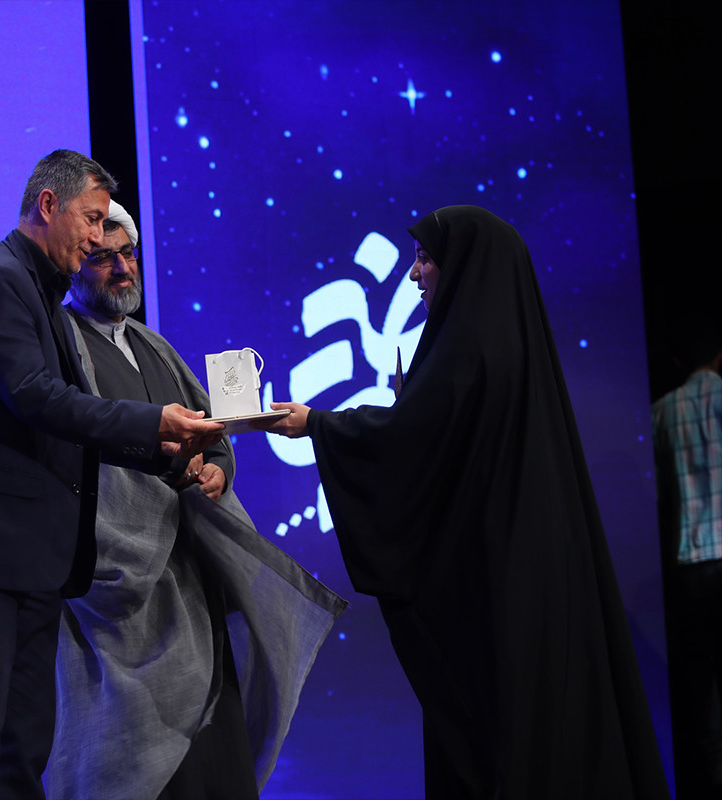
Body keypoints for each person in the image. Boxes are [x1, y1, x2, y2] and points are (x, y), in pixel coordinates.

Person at [265, 205, 669, 798]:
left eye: (425, 258)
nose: (414, 274)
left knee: (504, 737)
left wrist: (318, 425)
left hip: (498, 582)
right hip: (529, 569)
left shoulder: (469, 345)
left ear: (464, 265)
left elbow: (412, 441)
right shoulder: (506, 341)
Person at [0, 150, 222, 799]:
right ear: (48, 205)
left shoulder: (39, 293)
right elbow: (37, 398)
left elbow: (65, 420)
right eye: (90, 219)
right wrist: (153, 424)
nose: (95, 236)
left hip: (29, 556)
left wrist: (169, 456)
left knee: (25, 743)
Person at [44, 201, 347, 800]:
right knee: (126, 756)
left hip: (188, 582)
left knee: (212, 754)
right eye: (102, 258)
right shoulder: (58, 345)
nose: (121, 269)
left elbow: (214, 434)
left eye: (128, 254)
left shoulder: (154, 346)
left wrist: (216, 472)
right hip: (114, 591)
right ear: (75, 263)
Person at [652, 322, 722, 799]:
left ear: (678, 362)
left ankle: (714, 775)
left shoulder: (662, 411)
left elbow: (657, 493)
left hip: (689, 560)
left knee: (702, 678)